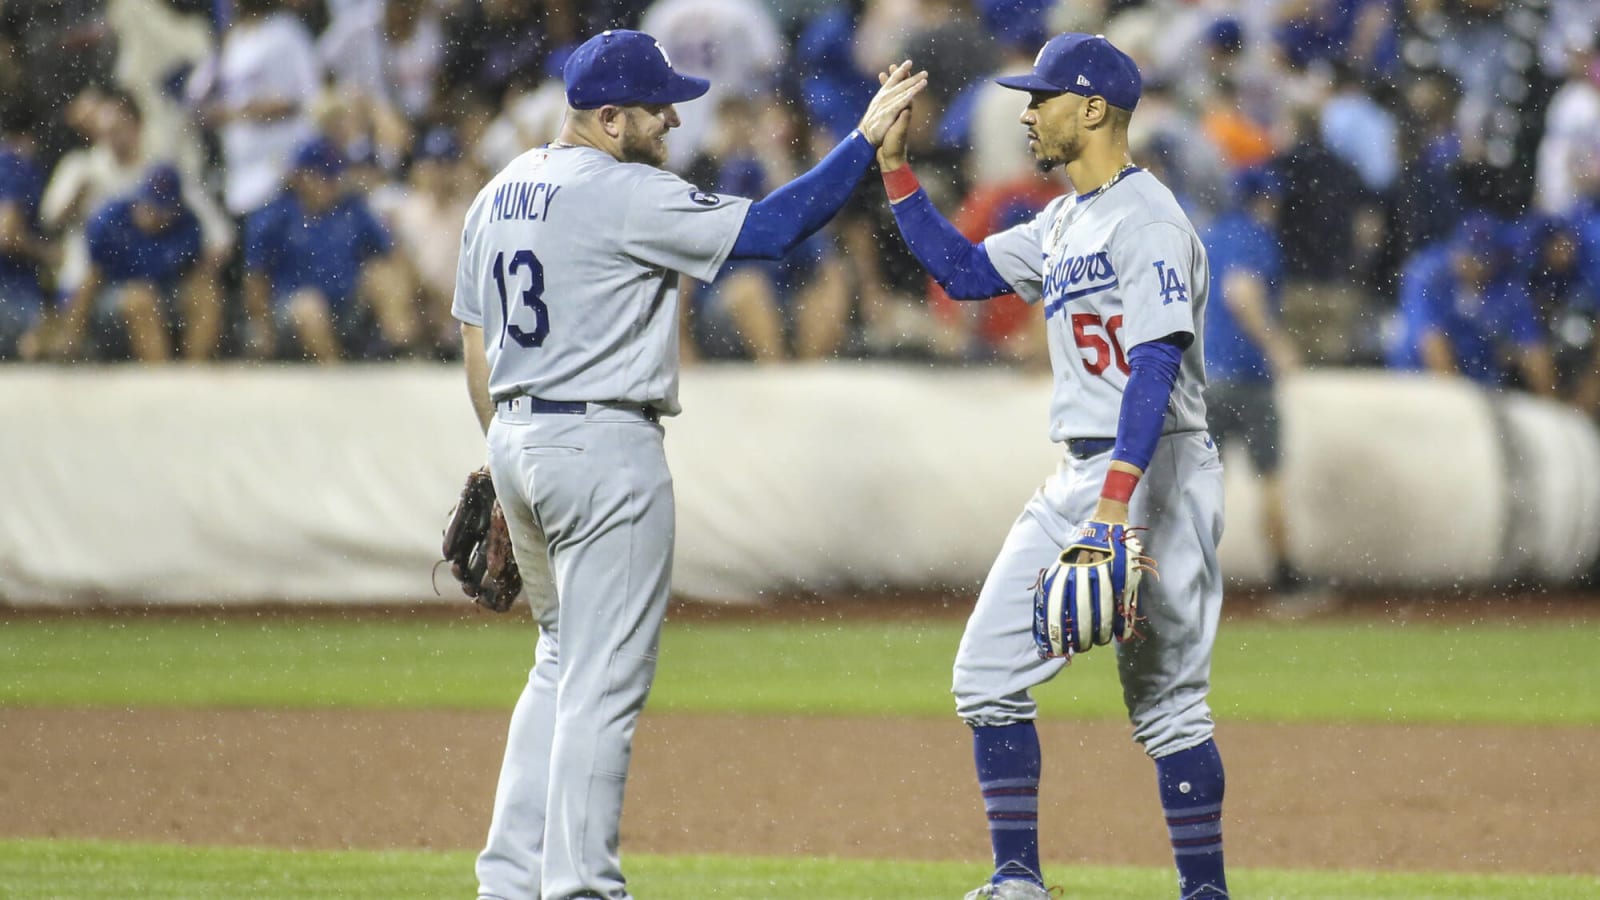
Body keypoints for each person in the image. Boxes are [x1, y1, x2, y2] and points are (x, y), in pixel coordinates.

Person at [452, 29, 925, 900]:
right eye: (656, 105)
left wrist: (499, 453)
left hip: (517, 438)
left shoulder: (501, 189)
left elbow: (476, 349)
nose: (674, 116)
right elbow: (774, 232)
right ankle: (581, 888)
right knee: (601, 683)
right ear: (606, 117)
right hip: (601, 444)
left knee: (559, 663)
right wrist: (861, 142)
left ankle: (510, 882)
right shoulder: (627, 192)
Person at [873, 33, 1230, 899]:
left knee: (1168, 705)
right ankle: (1018, 883)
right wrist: (893, 168)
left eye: (1043, 98)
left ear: (1094, 108)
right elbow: (961, 271)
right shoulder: (1067, 218)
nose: (1026, 112)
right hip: (1081, 471)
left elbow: (1154, 366)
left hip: (1156, 472)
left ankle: (1205, 892)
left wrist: (1115, 506)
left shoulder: (1148, 221)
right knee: (985, 679)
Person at [1201, 166, 1315, 598]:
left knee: (1201, 485)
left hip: (1206, 376)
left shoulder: (1209, 234)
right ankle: (1286, 579)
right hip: (1247, 377)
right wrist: (1276, 343)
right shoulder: (1254, 236)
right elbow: (1241, 291)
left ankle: (1181, 580)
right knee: (1270, 478)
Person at [242, 135, 416, 362]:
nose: (332, 183)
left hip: (346, 305)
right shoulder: (274, 216)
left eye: (334, 176)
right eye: (323, 176)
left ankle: (404, 353)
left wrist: (406, 296)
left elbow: (392, 254)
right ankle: (333, 373)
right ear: (301, 177)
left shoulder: (352, 209)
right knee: (309, 307)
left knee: (382, 274)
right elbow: (256, 276)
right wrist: (261, 325)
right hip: (291, 313)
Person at [50, 163, 219, 362]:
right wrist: (71, 336)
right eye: (148, 205)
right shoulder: (110, 220)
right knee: (140, 298)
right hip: (112, 300)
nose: (152, 214)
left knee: (206, 294)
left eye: (161, 209)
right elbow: (92, 280)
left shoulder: (188, 225)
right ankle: (160, 375)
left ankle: (195, 370)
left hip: (164, 294)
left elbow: (196, 274)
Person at [1386, 212, 1557, 396]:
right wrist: (1458, 405)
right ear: (1456, 251)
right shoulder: (1427, 273)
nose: (1475, 264)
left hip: (1480, 384)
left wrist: (1554, 408)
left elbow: (1534, 350)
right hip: (1417, 379)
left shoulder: (1504, 283)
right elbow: (1432, 343)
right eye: (1470, 255)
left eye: (1484, 258)